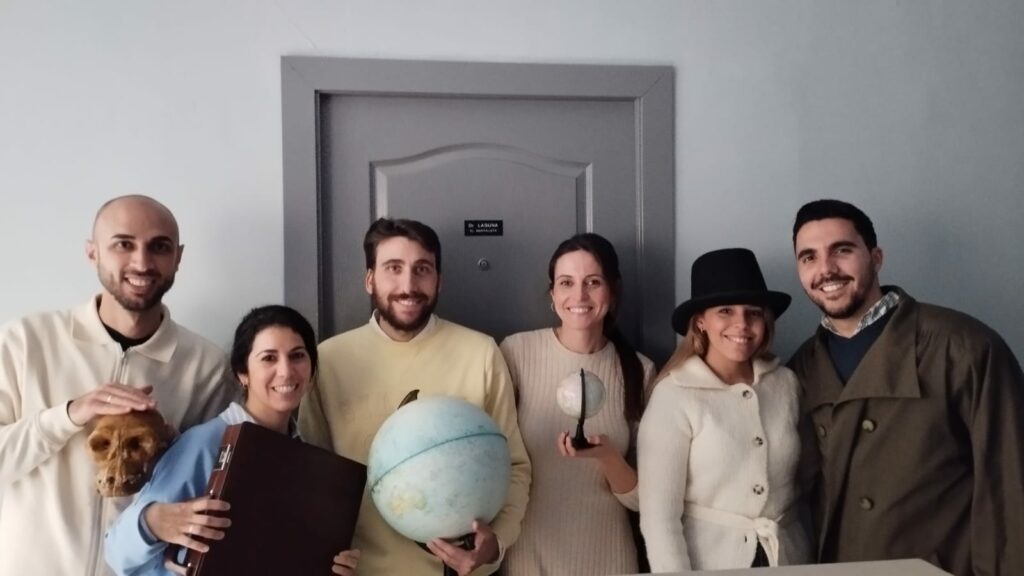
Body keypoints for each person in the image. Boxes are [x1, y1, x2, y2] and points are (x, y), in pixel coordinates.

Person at [0, 195, 234, 576]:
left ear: (178, 257)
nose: (142, 262)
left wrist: (176, 453)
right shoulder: (24, 342)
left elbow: (216, 489)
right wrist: (68, 416)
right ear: (92, 252)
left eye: (159, 247)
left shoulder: (206, 366)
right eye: (123, 244)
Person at [788, 199, 1024, 576]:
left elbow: (1009, 485)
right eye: (809, 257)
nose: (826, 269)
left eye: (842, 250)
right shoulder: (801, 367)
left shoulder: (963, 347)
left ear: (876, 257)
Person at [298, 217, 531, 576]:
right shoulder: (327, 361)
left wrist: (495, 544)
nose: (408, 285)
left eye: (422, 269)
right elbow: (307, 476)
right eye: (393, 268)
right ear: (369, 279)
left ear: (439, 280)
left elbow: (515, 466)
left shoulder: (481, 353)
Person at [104, 305, 360, 575]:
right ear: (242, 373)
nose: (286, 371)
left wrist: (329, 566)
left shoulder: (310, 461)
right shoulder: (204, 444)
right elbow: (117, 553)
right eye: (269, 358)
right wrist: (150, 522)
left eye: (297, 356)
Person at [638, 248, 811, 572]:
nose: (741, 324)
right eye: (726, 311)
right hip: (708, 563)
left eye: (753, 312)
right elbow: (659, 517)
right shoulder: (674, 395)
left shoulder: (786, 384)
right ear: (701, 321)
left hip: (788, 558)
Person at [499, 233, 654, 575]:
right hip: (529, 556)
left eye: (593, 282)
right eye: (566, 283)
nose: (579, 296)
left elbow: (644, 499)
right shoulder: (516, 353)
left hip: (609, 559)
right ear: (552, 294)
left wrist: (607, 456)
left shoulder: (639, 371)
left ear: (612, 291)